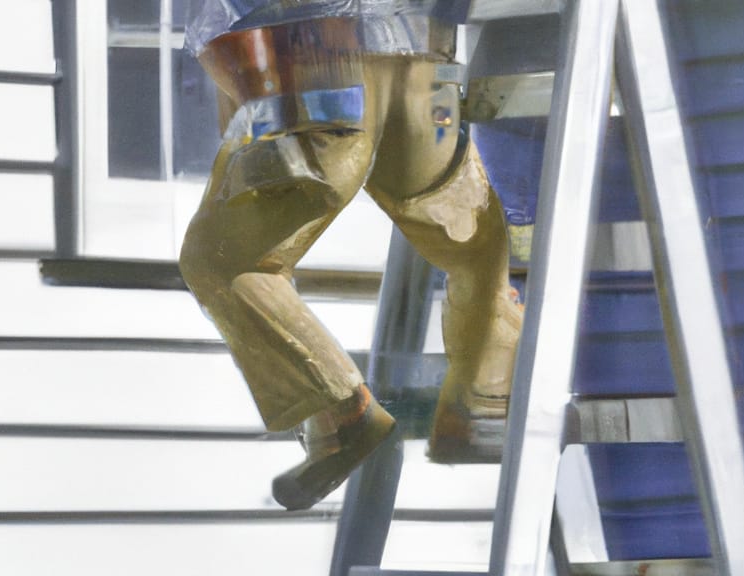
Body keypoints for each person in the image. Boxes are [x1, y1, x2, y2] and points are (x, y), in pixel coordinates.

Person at [181, 0, 522, 510]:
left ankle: (340, 417)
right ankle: (485, 399)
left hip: (302, 52)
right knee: (462, 230)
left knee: (223, 260)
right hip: (424, 56)